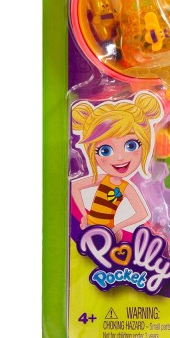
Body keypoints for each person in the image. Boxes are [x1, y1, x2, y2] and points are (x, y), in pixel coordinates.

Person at [70, 92, 162, 242]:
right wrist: (84, 215)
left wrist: (117, 227)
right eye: (105, 150)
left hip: (108, 231)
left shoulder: (126, 188)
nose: (120, 157)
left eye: (131, 145)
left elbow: (142, 213)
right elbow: (74, 186)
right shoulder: (102, 179)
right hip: (89, 226)